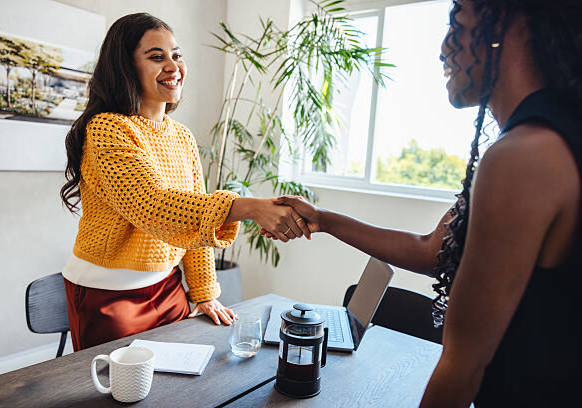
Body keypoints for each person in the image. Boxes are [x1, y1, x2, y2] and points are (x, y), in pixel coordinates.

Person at [266, 0, 582, 405]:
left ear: (505, 24)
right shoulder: (553, 138)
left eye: (458, 22)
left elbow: (462, 366)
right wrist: (324, 219)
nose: (443, 47)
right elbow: (432, 250)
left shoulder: (525, 157)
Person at [59, 13, 309, 351]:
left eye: (177, 54)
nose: (173, 65)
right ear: (125, 66)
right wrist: (246, 207)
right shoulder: (109, 129)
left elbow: (193, 229)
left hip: (169, 288)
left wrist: (204, 293)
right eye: (156, 56)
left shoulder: (182, 137)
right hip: (109, 294)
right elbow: (155, 207)